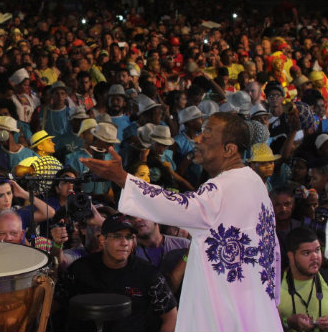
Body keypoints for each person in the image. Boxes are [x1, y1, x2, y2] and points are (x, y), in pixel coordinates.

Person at [81, 112, 282, 331]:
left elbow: (176, 206)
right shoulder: (255, 183)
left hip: (227, 311)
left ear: (229, 149)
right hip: (256, 307)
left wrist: (122, 178)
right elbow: (273, 251)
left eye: (207, 135)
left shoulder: (220, 188)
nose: (198, 140)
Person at [61, 214, 178, 332]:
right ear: (103, 240)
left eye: (128, 237)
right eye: (117, 236)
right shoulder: (80, 269)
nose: (124, 243)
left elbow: (171, 316)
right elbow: (52, 305)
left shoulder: (148, 273)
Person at [278, 227, 328, 331]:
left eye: (317, 250)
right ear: (291, 256)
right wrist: (288, 323)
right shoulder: (275, 284)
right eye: (306, 253)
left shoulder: (326, 277)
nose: (315, 257)